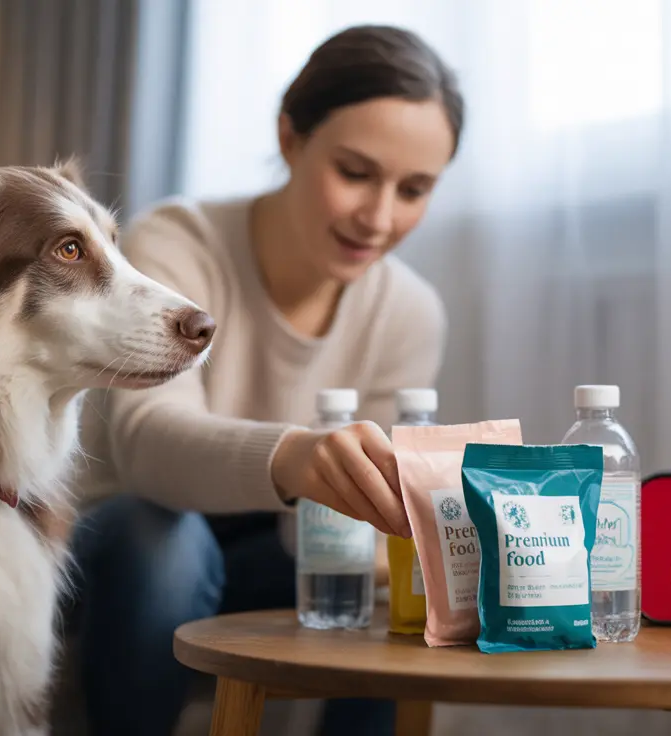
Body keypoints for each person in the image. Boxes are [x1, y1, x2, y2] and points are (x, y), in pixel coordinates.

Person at [66, 23, 464, 736]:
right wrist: (297, 456)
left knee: (398, 588)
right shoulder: (176, 243)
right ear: (290, 137)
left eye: (414, 189)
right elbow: (148, 444)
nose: (378, 217)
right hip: (124, 544)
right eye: (355, 172)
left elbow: (367, 532)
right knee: (157, 538)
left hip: (278, 554)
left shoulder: (410, 310)